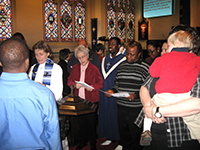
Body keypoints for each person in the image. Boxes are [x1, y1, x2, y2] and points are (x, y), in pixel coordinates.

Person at [138, 24, 200, 150]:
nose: (164, 51)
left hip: (180, 136)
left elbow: (196, 104)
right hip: (156, 133)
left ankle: (146, 129)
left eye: (168, 46)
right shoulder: (194, 61)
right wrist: (148, 107)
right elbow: (144, 88)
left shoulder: (163, 60)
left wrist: (155, 111)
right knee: (194, 121)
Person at [0, 38, 61, 150]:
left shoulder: (56, 69)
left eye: (41, 54)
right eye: (36, 54)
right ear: (27, 61)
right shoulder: (43, 92)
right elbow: (52, 134)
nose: (38, 57)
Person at [105, 41, 149, 150]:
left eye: (132, 54)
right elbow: (117, 84)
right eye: (127, 53)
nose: (128, 56)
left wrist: (137, 96)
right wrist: (112, 91)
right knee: (124, 137)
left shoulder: (145, 68)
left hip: (136, 109)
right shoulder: (121, 66)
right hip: (121, 108)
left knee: (135, 138)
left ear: (139, 54)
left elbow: (149, 90)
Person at [67, 45, 103, 150]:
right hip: (79, 100)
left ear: (87, 56)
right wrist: (74, 84)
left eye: (83, 57)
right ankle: (83, 141)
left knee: (91, 123)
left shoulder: (94, 68)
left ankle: (92, 143)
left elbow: (100, 83)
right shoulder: (75, 68)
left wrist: (93, 87)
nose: (81, 60)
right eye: (79, 57)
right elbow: (69, 81)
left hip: (91, 99)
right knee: (81, 123)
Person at [98, 37, 126, 145]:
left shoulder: (123, 60)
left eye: (113, 44)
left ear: (119, 46)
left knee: (115, 115)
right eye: (109, 44)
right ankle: (109, 136)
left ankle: (119, 140)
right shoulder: (105, 59)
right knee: (105, 113)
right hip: (104, 90)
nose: (110, 46)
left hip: (115, 92)